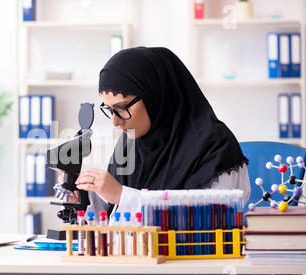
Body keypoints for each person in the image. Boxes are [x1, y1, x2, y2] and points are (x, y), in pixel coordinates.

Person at [71, 46, 251, 216]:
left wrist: (122, 196)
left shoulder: (215, 146)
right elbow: (115, 216)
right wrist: (86, 196)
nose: (115, 122)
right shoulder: (130, 144)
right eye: (110, 110)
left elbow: (210, 218)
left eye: (122, 108)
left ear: (155, 96)